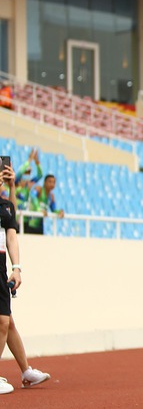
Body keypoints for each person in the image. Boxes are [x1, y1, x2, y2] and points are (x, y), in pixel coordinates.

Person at [0, 163, 51, 394]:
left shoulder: (4, 205)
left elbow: (11, 224)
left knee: (7, 322)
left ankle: (25, 372)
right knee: (3, 321)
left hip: (1, 267)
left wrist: (17, 267)